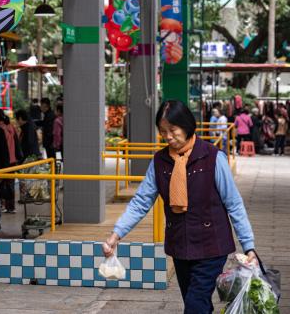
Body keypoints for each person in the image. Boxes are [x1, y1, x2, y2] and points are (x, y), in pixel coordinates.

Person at [103, 100, 257, 314]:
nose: (167, 136)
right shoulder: (160, 161)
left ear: (187, 126)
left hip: (211, 246)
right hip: (180, 246)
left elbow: (234, 204)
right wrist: (116, 234)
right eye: (162, 131)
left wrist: (248, 245)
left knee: (195, 304)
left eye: (172, 130)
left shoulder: (213, 157)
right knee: (197, 302)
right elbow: (140, 202)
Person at [0, 108, 22, 213]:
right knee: (10, 183)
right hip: (12, 160)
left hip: (3, 161)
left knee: (0, 183)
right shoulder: (10, 126)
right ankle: (11, 207)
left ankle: (2, 205)